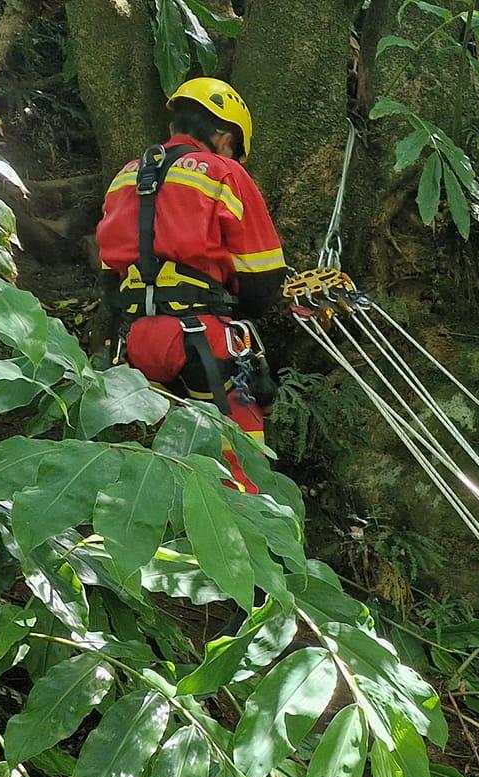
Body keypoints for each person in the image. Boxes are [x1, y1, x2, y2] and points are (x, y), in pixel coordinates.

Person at [96, 78, 285, 491]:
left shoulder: (125, 177)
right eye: (234, 145)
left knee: (166, 459)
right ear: (222, 134)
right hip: (203, 340)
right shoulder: (223, 173)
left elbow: (109, 273)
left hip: (136, 341)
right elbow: (263, 277)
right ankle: (243, 524)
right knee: (239, 457)